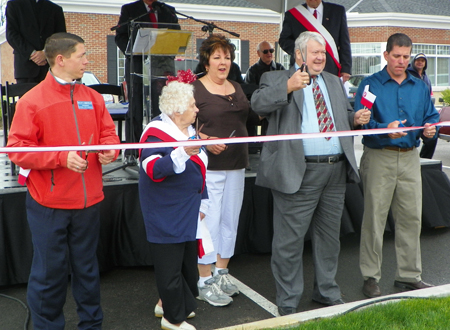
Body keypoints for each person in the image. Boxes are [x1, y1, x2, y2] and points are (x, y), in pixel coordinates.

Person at [251, 31, 370, 316]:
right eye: (315, 52)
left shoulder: (332, 81)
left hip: (335, 170)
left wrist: (354, 118)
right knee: (289, 241)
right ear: (299, 55)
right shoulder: (277, 79)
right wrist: (289, 87)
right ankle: (289, 300)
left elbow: (341, 115)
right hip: (298, 172)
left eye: (323, 53)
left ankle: (326, 291)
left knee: (330, 238)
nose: (320, 57)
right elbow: (257, 105)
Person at [7, 32, 120, 329]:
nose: (86, 61)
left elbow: (109, 133)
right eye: (81, 55)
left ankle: (91, 325)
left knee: (87, 270)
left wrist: (111, 148)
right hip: (49, 205)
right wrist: (60, 158)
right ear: (61, 59)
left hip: (88, 202)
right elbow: (17, 151)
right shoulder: (31, 102)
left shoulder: (93, 97)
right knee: (49, 274)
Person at [355, 33, 439, 299]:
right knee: (374, 220)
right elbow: (362, 122)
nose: (402, 61)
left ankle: (409, 275)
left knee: (411, 218)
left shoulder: (419, 86)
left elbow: (431, 118)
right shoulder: (370, 85)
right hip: (380, 157)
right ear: (386, 55)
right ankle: (370, 277)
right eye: (397, 56)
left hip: (411, 159)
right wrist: (383, 129)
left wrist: (430, 131)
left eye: (406, 56)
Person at [192, 34, 260, 307]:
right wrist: (205, 142)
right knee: (209, 223)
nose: (223, 62)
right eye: (217, 57)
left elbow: (250, 117)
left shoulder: (236, 86)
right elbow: (183, 129)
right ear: (206, 61)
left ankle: (222, 272)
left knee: (230, 221)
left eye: (228, 57)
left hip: (236, 165)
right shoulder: (195, 89)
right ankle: (204, 280)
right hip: (209, 168)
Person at [139, 81, 208, 330]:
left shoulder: (187, 131)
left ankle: (165, 304)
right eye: (192, 105)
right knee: (170, 271)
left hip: (188, 210)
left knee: (186, 266)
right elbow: (154, 170)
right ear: (177, 111)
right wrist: (182, 152)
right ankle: (172, 320)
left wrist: (204, 202)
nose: (196, 109)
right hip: (165, 214)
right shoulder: (153, 134)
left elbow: (200, 169)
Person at [115, 0, 180, 152]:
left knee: (162, 108)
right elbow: (120, 37)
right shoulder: (130, 10)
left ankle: (161, 147)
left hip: (162, 68)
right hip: (137, 67)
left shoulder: (168, 11)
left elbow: (177, 37)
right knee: (135, 109)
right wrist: (131, 53)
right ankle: (134, 149)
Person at [279, 0, 351, 82]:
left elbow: (344, 42)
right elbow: (283, 40)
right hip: (302, 71)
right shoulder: (293, 15)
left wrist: (346, 69)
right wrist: (303, 51)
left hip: (330, 69)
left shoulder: (337, 12)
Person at [6, 0, 66, 84]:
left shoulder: (55, 10)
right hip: (25, 68)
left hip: (50, 68)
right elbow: (12, 35)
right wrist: (32, 53)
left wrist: (45, 52)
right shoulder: (15, 6)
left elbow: (61, 37)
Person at [407, 53, 437, 159]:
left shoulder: (426, 78)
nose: (420, 62)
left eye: (422, 61)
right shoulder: (408, 75)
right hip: (410, 114)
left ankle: (424, 160)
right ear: (413, 62)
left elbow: (428, 96)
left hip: (423, 113)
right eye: (418, 60)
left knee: (432, 137)